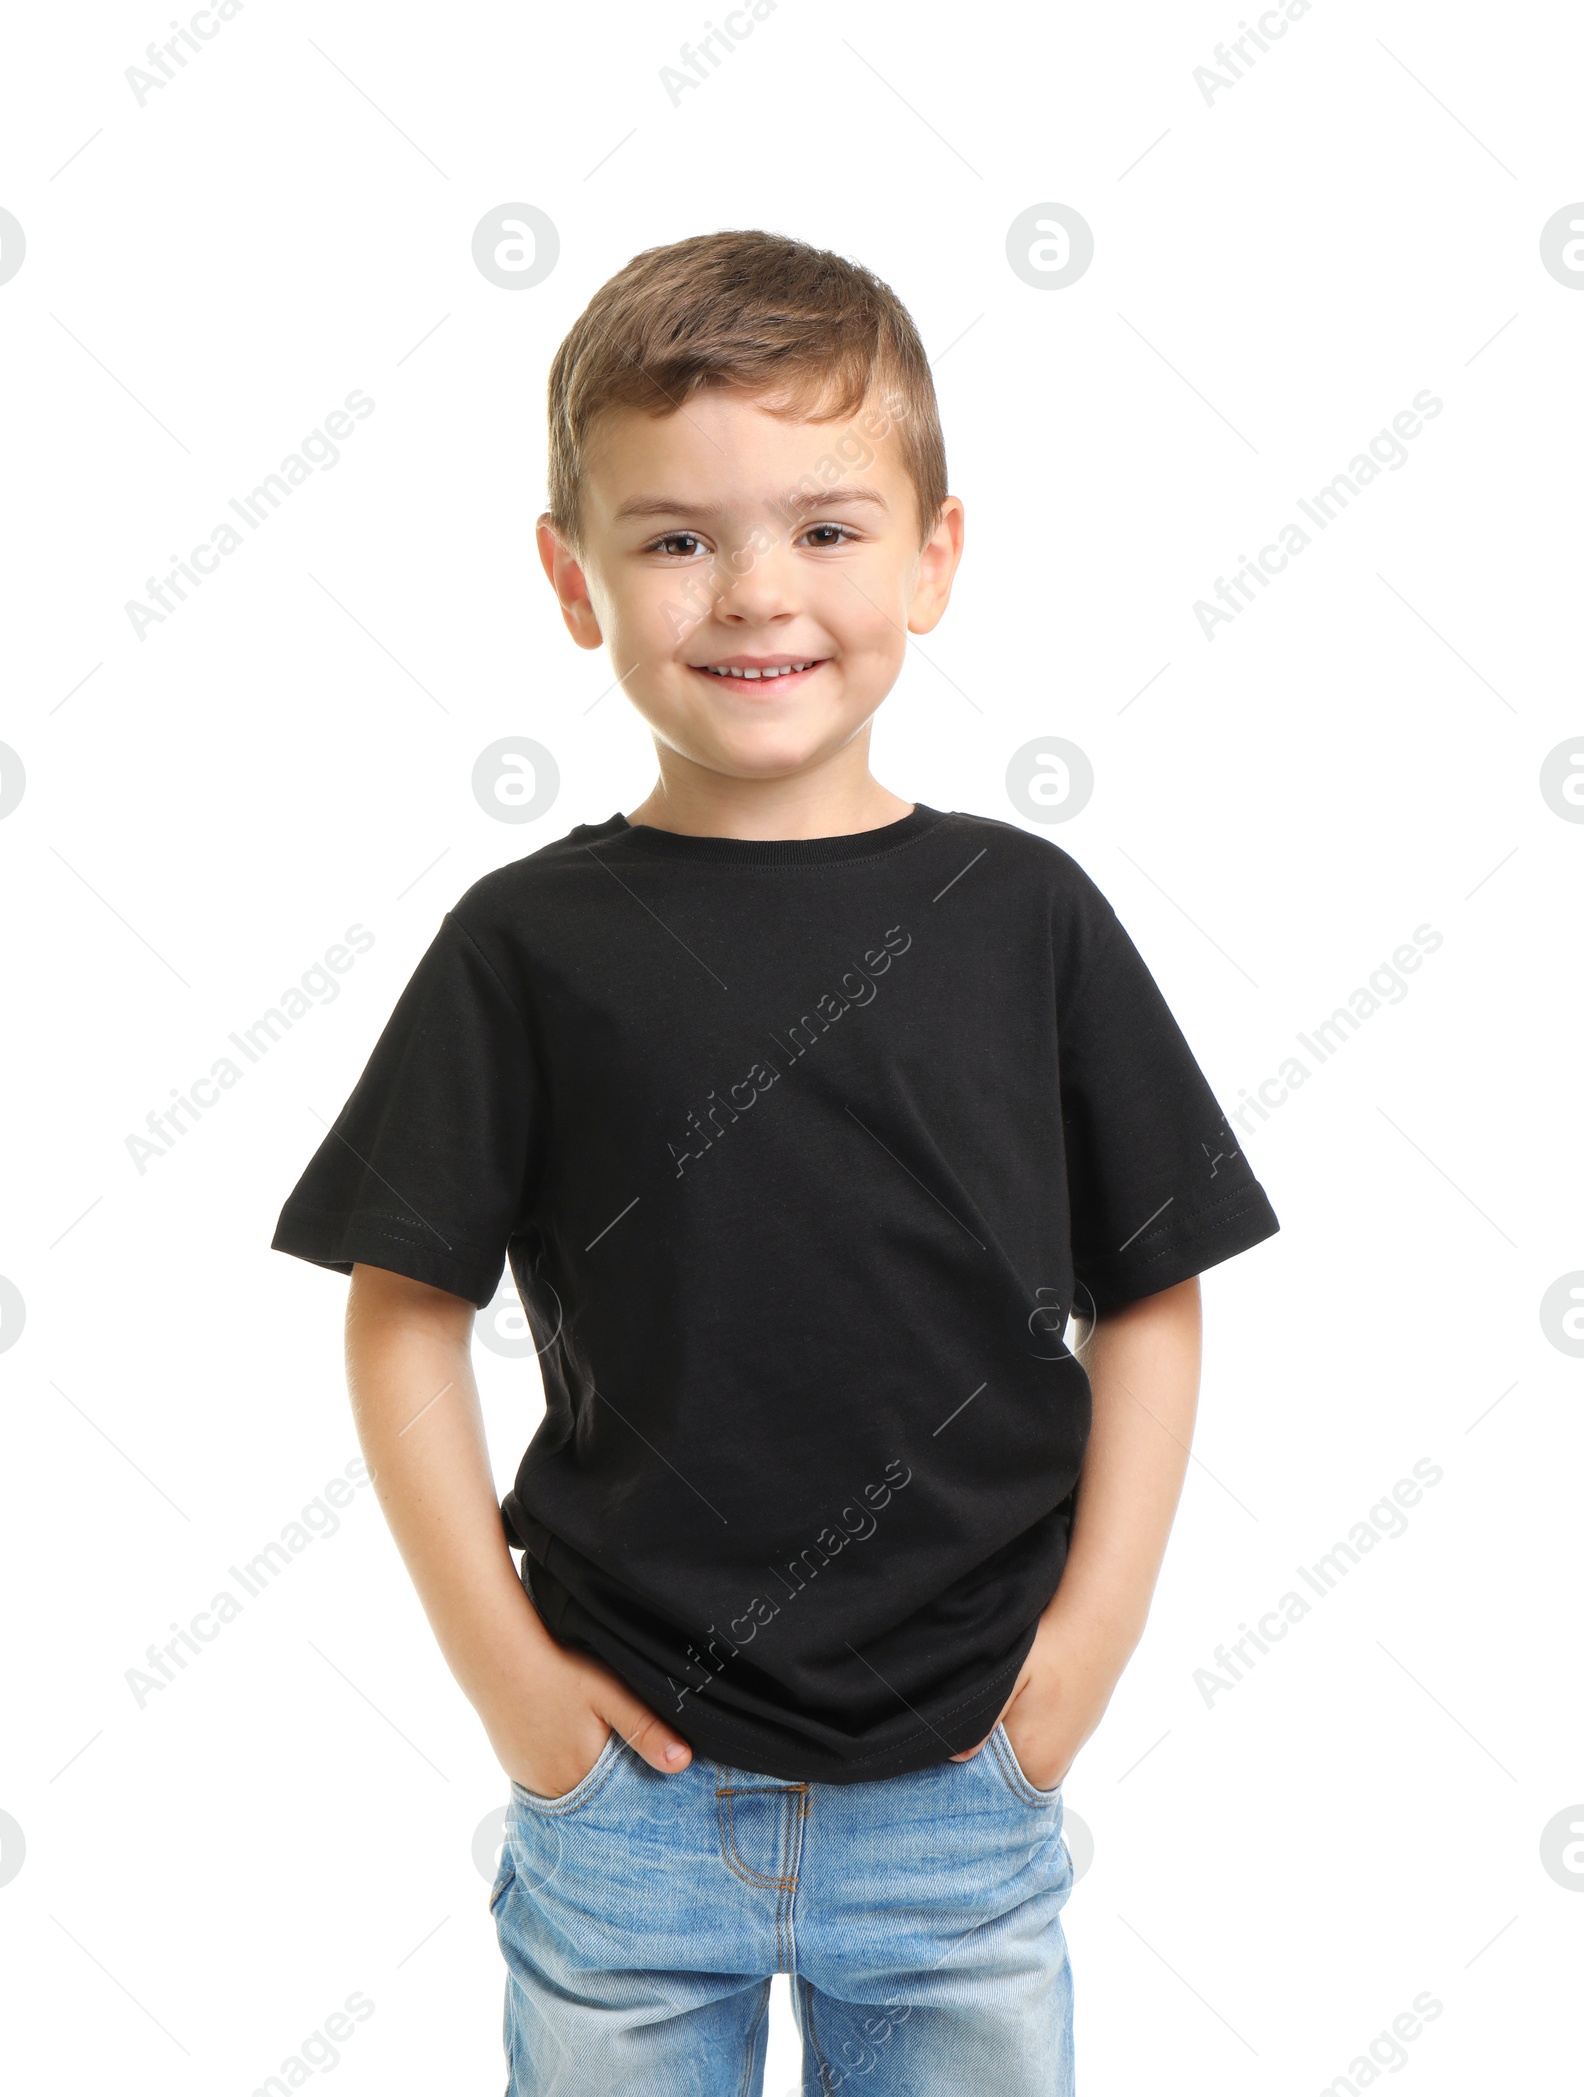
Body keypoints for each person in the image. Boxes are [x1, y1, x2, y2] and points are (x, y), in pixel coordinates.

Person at [272, 228, 1280, 2096]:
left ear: (936, 554)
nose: (755, 591)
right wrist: (515, 1695)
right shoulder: (526, 942)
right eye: (675, 538)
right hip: (626, 1806)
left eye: (825, 527)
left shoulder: (1024, 911)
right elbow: (399, 1315)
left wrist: (1087, 1655)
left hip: (966, 1789)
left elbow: (1154, 1286)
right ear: (575, 583)